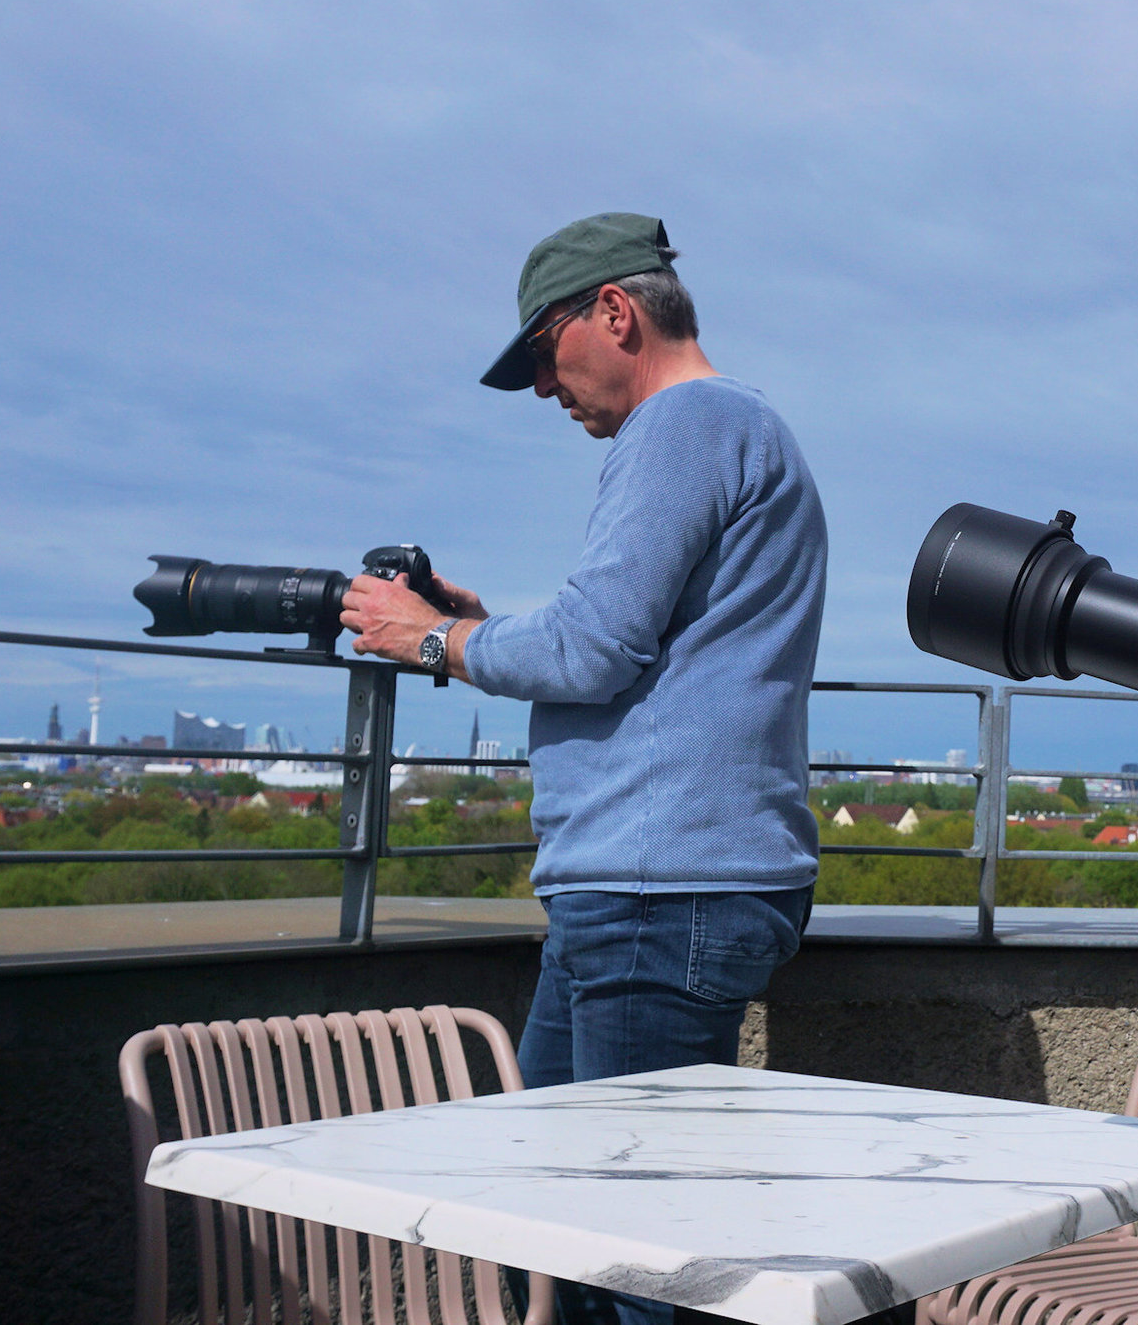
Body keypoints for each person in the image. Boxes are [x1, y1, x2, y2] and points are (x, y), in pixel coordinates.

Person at [340, 212, 827, 1325]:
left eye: (543, 355)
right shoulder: (741, 427)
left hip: (661, 890)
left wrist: (429, 637)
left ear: (615, 312)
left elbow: (592, 646)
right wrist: (477, 625)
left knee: (635, 1256)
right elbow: (638, 640)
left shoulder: (682, 424)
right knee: (553, 1222)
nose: (545, 391)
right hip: (658, 885)